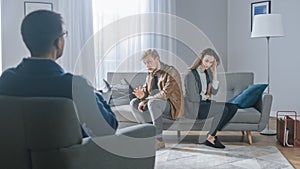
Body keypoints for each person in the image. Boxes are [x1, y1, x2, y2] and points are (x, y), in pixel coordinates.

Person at [0, 10, 118, 137]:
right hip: (71, 157)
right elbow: (108, 129)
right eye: (64, 35)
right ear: (58, 42)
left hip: (15, 157)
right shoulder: (75, 86)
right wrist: (94, 94)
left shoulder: (6, 80)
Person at [130, 49, 184, 150]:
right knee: (133, 103)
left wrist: (145, 100)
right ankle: (147, 134)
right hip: (155, 103)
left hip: (171, 106)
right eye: (145, 63)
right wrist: (142, 95)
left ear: (157, 59)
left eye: (149, 62)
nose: (147, 65)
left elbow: (165, 94)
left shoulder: (171, 71)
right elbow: (146, 91)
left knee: (153, 102)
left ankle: (159, 140)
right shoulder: (150, 74)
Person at [184, 48, 238, 148]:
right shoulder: (191, 74)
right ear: (201, 59)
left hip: (204, 104)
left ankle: (211, 135)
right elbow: (192, 97)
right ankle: (211, 138)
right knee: (223, 109)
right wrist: (205, 96)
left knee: (233, 107)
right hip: (195, 107)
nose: (208, 64)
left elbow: (214, 91)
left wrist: (214, 73)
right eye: (206, 61)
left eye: (211, 62)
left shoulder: (207, 73)